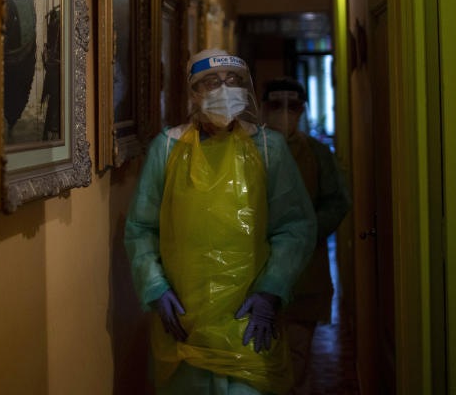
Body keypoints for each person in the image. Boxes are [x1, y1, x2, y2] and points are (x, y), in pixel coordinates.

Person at [125, 49, 317, 395]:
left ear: (247, 89)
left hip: (248, 317)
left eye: (234, 81)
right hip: (184, 321)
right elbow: (141, 228)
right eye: (212, 82)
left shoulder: (268, 148)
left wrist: (270, 292)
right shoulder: (166, 149)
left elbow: (295, 227)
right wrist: (155, 287)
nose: (224, 90)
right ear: (194, 91)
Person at [261, 78, 352, 395]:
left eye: (293, 106)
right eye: (276, 105)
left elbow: (338, 202)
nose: (284, 113)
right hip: (256, 278)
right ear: (263, 108)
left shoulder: (316, 154)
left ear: (302, 110)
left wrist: (305, 231)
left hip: (304, 278)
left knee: (296, 362)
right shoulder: (249, 152)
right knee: (261, 365)